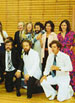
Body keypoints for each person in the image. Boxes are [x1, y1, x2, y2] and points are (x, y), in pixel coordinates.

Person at [57, 20, 75, 92]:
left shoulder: (72, 33)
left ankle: (72, 88)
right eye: (62, 25)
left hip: (69, 53)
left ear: (67, 26)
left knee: (71, 70)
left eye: (64, 25)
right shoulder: (58, 35)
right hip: (61, 53)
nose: (63, 26)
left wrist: (73, 46)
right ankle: (62, 89)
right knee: (61, 69)